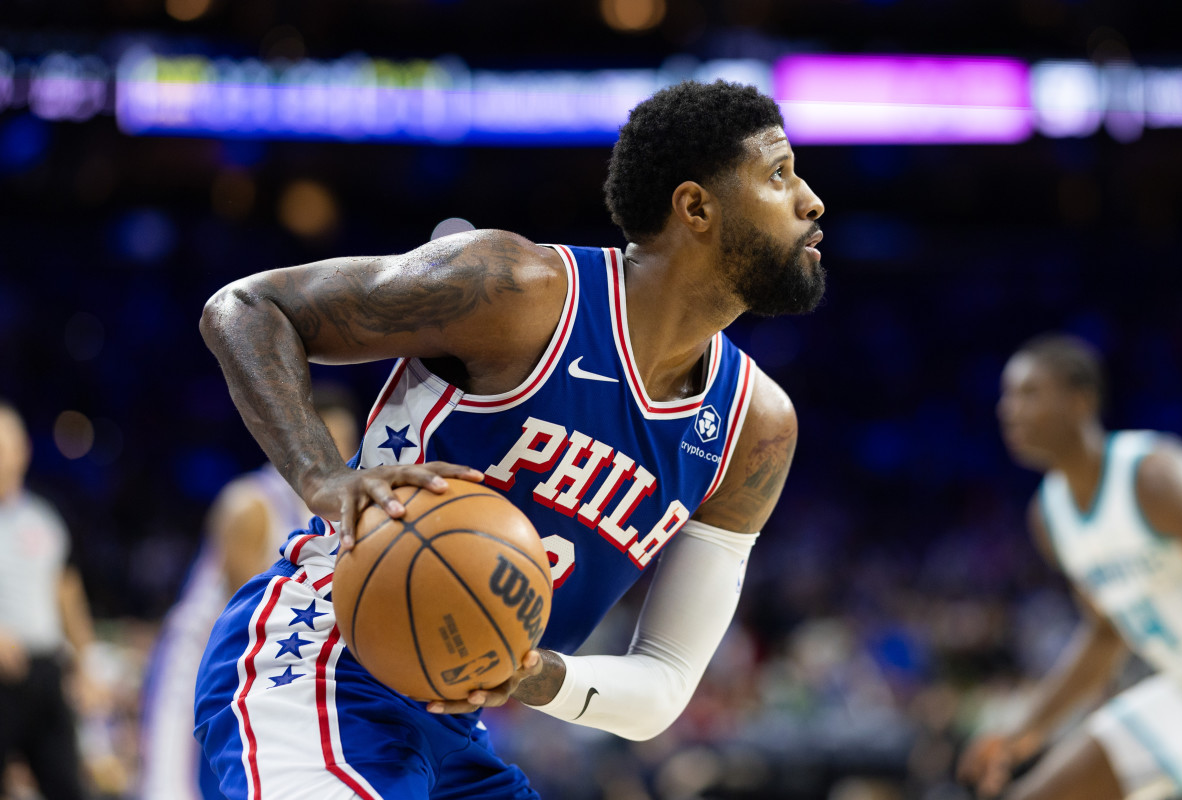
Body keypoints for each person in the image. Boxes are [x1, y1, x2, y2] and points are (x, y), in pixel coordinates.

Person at [194, 79, 822, 798]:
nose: (811, 200)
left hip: (455, 721)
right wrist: (322, 477)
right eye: (780, 173)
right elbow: (246, 307)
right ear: (696, 207)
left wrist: (535, 673)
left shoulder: (756, 427)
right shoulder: (520, 290)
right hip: (321, 663)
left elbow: (664, 682)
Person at [958, 334, 1182, 800]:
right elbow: (1106, 635)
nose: (1009, 410)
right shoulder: (1050, 516)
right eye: (1007, 396)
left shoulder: (1154, 475)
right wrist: (1020, 732)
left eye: (1029, 393)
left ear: (1080, 401)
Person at [139, 384, 359, 800]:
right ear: (300, 441)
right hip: (204, 657)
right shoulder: (250, 502)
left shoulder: (336, 515)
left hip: (269, 660)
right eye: (332, 442)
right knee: (169, 788)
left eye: (348, 443)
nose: (342, 454)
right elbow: (251, 609)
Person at [0, 400, 102, 800]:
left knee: (67, 786)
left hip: (44, 670)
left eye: (7, 447)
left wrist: (86, 663)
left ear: (24, 450)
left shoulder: (45, 516)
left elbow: (67, 593)